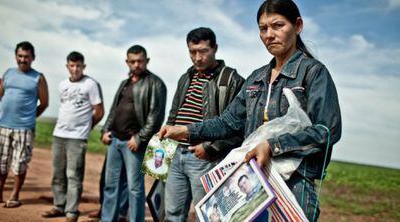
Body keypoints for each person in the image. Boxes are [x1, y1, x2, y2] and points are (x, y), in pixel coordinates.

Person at [158, 1, 342, 221]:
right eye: (263, 28)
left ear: (298, 25)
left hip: (293, 184)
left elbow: (328, 130)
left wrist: (272, 146)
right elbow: (228, 122)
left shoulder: (313, 73)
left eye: (278, 25)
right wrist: (186, 130)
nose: (269, 35)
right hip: (251, 183)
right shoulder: (256, 78)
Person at [163, 27, 245, 221]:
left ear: (215, 48)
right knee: (172, 213)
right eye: (193, 52)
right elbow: (174, 115)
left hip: (204, 158)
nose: (198, 58)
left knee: (209, 215)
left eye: (203, 51)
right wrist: (164, 152)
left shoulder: (232, 80)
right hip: (175, 154)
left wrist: (210, 148)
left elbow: (239, 127)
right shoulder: (186, 77)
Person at [101, 45, 167, 222]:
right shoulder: (125, 83)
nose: (136, 64)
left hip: (134, 144)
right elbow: (114, 110)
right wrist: (105, 130)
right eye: (133, 61)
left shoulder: (156, 84)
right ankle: (107, 219)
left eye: (140, 61)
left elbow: (156, 117)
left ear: (147, 61)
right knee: (111, 186)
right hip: (114, 141)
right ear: (127, 62)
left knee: (135, 189)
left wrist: (139, 138)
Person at [42, 51, 104, 222]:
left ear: (83, 67)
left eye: (78, 66)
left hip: (77, 138)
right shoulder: (62, 85)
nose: (75, 69)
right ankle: (58, 206)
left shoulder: (90, 84)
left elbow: (99, 111)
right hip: (59, 134)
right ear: (67, 66)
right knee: (58, 173)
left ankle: (72, 211)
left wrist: (85, 128)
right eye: (72, 65)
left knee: (73, 175)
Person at [0, 41, 49, 208]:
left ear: (33, 58)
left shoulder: (38, 77)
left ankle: (14, 196)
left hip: (24, 128)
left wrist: (28, 118)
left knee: (20, 162)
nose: (23, 59)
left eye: (26, 57)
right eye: (20, 56)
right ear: (16, 56)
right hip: (3, 125)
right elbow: (2, 95)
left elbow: (44, 103)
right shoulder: (8, 73)